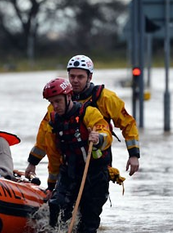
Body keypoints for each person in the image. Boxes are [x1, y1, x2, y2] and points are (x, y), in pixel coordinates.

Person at [25, 54, 140, 185]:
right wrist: (32, 162)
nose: (75, 81)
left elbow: (128, 124)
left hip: (97, 161)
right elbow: (45, 136)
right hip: (69, 163)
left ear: (90, 77)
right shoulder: (58, 101)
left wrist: (133, 155)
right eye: (72, 76)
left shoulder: (106, 98)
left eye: (80, 77)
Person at [41, 78, 112, 233]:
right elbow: (53, 156)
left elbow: (105, 131)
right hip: (69, 172)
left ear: (68, 97)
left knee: (88, 222)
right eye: (52, 103)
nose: (55, 106)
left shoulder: (89, 112)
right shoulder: (52, 122)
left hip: (93, 172)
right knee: (56, 206)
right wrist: (51, 186)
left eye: (58, 101)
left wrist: (99, 138)